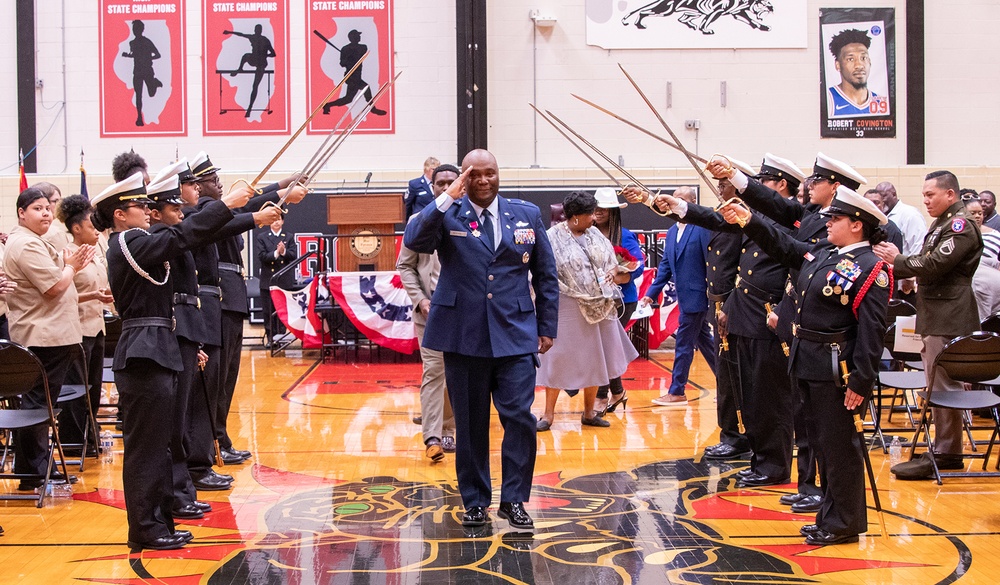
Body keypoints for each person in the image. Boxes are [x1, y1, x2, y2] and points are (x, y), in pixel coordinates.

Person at [719, 185, 891, 546]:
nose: (828, 224)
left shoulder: (871, 269)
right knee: (822, 446)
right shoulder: (828, 253)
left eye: (836, 218)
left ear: (857, 225)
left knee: (840, 448)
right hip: (808, 362)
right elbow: (785, 247)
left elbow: (872, 334)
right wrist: (749, 220)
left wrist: (861, 383)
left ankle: (844, 522)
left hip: (836, 371)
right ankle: (829, 515)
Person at [93, 172, 252, 551]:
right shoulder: (128, 241)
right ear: (119, 215)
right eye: (140, 205)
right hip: (144, 350)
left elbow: (186, 239)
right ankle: (146, 528)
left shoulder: (138, 240)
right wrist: (226, 204)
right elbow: (181, 236)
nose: (148, 210)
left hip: (159, 344)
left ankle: (159, 520)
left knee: (163, 442)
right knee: (147, 447)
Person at [403, 149, 559, 531]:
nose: (484, 181)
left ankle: (515, 500)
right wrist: (447, 196)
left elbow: (545, 274)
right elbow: (414, 237)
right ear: (465, 178)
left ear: (498, 174)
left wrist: (547, 327)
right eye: (475, 175)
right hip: (463, 335)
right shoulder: (447, 213)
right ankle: (475, 501)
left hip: (515, 335)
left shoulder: (525, 214)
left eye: (490, 173)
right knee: (471, 425)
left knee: (519, 420)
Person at [874, 171, 983, 480]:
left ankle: (948, 452)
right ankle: (943, 446)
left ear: (950, 194)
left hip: (949, 314)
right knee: (936, 384)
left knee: (943, 386)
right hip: (936, 311)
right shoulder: (943, 224)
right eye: (923, 195)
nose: (925, 200)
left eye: (931, 195)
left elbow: (936, 263)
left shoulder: (960, 226)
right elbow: (928, 259)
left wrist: (898, 260)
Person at [4, 187, 95, 490]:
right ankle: (34, 469)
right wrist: (71, 266)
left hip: (52, 335)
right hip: (42, 336)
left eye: (47, 209)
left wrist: (68, 265)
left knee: (41, 404)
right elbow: (54, 288)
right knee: (38, 405)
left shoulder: (35, 241)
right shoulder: (26, 245)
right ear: (21, 213)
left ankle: (35, 464)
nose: (45, 213)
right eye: (37, 209)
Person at [535, 191, 639, 431]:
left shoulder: (596, 236)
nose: (594, 218)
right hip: (566, 305)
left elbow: (611, 263)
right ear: (574, 217)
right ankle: (548, 415)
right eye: (589, 214)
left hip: (599, 306)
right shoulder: (551, 237)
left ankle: (589, 412)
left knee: (596, 358)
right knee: (558, 359)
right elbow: (543, 271)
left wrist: (614, 272)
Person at [397, 164, 459, 462]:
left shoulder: (472, 219)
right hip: (429, 310)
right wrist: (420, 299)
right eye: (440, 184)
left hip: (464, 311)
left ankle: (450, 426)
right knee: (434, 371)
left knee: (456, 372)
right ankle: (433, 437)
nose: (446, 188)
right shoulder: (418, 221)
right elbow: (405, 265)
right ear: (431, 187)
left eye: (451, 182)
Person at [639, 186, 716, 406]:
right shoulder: (672, 232)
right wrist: (650, 294)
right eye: (675, 198)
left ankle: (677, 391)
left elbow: (709, 263)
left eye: (682, 199)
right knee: (706, 344)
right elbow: (665, 266)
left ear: (692, 202)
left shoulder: (701, 228)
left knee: (683, 344)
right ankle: (729, 385)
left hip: (699, 297)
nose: (676, 202)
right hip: (684, 298)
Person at [54, 195, 113, 454]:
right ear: (76, 229)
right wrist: (94, 295)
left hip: (97, 326)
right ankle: (73, 444)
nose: (96, 230)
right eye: (91, 226)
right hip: (76, 329)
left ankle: (91, 436)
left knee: (94, 388)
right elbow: (60, 293)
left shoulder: (96, 254)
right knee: (77, 391)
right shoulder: (66, 256)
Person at [591, 187, 644, 415]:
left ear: (613, 211)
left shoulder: (625, 235)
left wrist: (618, 275)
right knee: (605, 347)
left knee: (605, 347)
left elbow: (637, 266)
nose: (599, 212)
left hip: (622, 301)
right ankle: (618, 392)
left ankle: (602, 396)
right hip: (594, 300)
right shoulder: (587, 234)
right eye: (595, 208)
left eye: (604, 208)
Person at [876, 181, 926, 300]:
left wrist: (910, 277)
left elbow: (918, 245)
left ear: (894, 194)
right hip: (886, 281)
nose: (881, 201)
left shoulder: (909, 214)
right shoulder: (882, 216)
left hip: (905, 284)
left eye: (884, 196)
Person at [322, 30, 386, 116]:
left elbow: (362, 52)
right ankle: (372, 109)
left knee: (348, 99)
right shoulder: (345, 49)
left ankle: (327, 105)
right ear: (352, 37)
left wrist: (351, 54)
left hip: (357, 76)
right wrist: (348, 58)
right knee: (365, 89)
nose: (359, 37)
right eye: (357, 36)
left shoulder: (362, 47)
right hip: (351, 76)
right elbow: (342, 64)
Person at [255, 217, 296, 346]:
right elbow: (262, 256)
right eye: (273, 220)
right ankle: (271, 338)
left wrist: (284, 252)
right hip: (268, 280)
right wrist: (276, 253)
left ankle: (281, 338)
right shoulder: (262, 237)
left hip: (284, 281)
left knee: (282, 311)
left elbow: (293, 255)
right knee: (268, 311)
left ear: (283, 221)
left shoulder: (288, 237)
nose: (276, 222)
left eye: (279, 220)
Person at [826, 28, 882, 117]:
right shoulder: (828, 99)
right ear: (838, 65)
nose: (859, 65)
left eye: (863, 58)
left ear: (870, 62)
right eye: (850, 59)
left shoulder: (881, 103)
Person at [224, 24, 276, 117]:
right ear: (256, 30)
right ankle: (239, 69)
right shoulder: (253, 37)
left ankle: (249, 108)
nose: (257, 31)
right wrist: (229, 32)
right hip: (255, 60)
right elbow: (241, 34)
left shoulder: (265, 40)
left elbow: (273, 53)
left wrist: (265, 55)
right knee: (245, 56)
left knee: (255, 86)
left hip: (261, 63)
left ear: (259, 31)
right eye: (256, 30)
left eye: (258, 30)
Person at [962, 196, 1000, 320]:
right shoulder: (957, 235)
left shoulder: (994, 235)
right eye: (973, 213)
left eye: (980, 213)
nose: (978, 216)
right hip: (966, 286)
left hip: (988, 286)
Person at [121, 20, 163, 127]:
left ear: (142, 30)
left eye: (138, 29)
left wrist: (149, 57)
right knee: (138, 95)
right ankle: (139, 117)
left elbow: (158, 54)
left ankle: (155, 83)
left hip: (148, 71)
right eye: (134, 29)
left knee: (151, 93)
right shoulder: (132, 43)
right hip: (137, 72)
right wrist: (127, 55)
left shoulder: (147, 42)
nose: (136, 31)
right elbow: (134, 55)